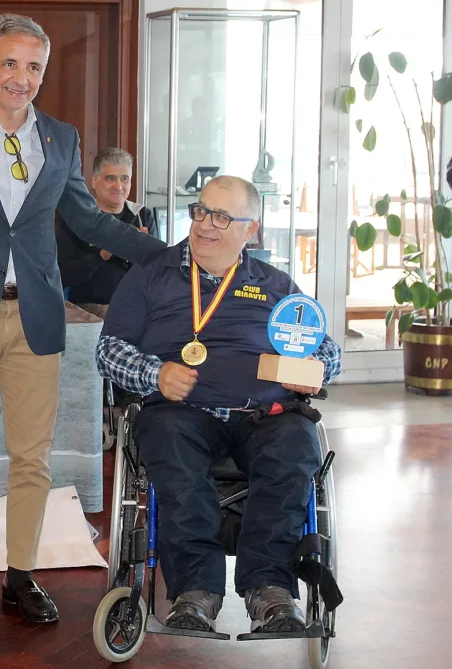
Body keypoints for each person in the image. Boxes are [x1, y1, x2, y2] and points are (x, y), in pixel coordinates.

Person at [0, 13, 166, 633]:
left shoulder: (62, 137)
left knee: (31, 462)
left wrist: (171, 253)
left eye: (33, 67)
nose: (21, 78)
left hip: (37, 317)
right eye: (9, 63)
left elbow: (90, 223)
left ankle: (20, 575)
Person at [95, 175, 342, 634]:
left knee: (295, 449)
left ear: (251, 230)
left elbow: (327, 348)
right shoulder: (152, 272)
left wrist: (314, 370)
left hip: (264, 414)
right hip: (180, 412)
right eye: (201, 211)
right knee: (171, 451)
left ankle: (271, 591)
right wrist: (155, 373)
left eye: (223, 217)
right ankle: (195, 592)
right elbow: (108, 350)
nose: (206, 224)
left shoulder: (274, 283)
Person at [56, 147, 158, 318]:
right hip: (88, 310)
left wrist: (141, 252)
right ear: (94, 181)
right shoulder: (76, 218)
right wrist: (102, 255)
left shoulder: (142, 216)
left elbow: (156, 274)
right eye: (110, 178)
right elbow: (62, 275)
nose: (118, 186)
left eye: (124, 179)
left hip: (137, 308)